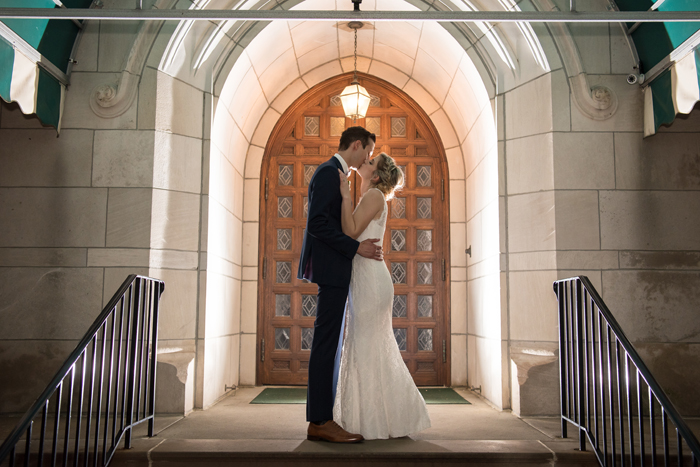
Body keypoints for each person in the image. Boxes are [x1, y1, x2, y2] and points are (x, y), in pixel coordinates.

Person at [333, 153, 431, 440]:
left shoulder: (374, 195)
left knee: (367, 347)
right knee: (366, 348)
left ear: (375, 176)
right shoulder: (372, 195)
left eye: (371, 161)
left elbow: (350, 230)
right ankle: (371, 420)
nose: (366, 160)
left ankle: (381, 420)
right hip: (365, 279)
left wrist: (343, 195)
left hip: (372, 283)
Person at [298, 126, 383, 443]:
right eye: (369, 152)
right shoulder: (328, 172)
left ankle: (323, 417)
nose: (368, 159)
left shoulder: (338, 174)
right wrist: (355, 248)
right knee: (325, 344)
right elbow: (317, 223)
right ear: (358, 145)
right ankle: (319, 421)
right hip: (332, 269)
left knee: (330, 344)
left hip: (336, 270)